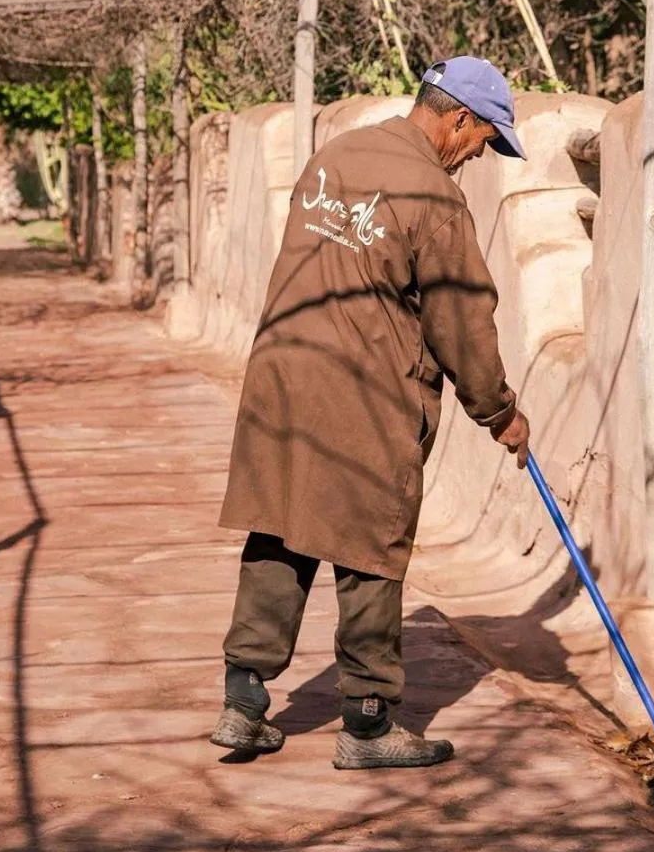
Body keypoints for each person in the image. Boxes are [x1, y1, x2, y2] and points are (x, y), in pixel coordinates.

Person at [211, 56, 531, 769]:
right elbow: (462, 324)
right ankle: (367, 723)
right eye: (484, 138)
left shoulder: (338, 152)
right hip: (365, 388)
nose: (480, 154)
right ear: (457, 119)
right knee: (372, 545)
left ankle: (243, 701)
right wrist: (499, 411)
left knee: (282, 527)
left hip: (281, 378)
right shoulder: (437, 201)